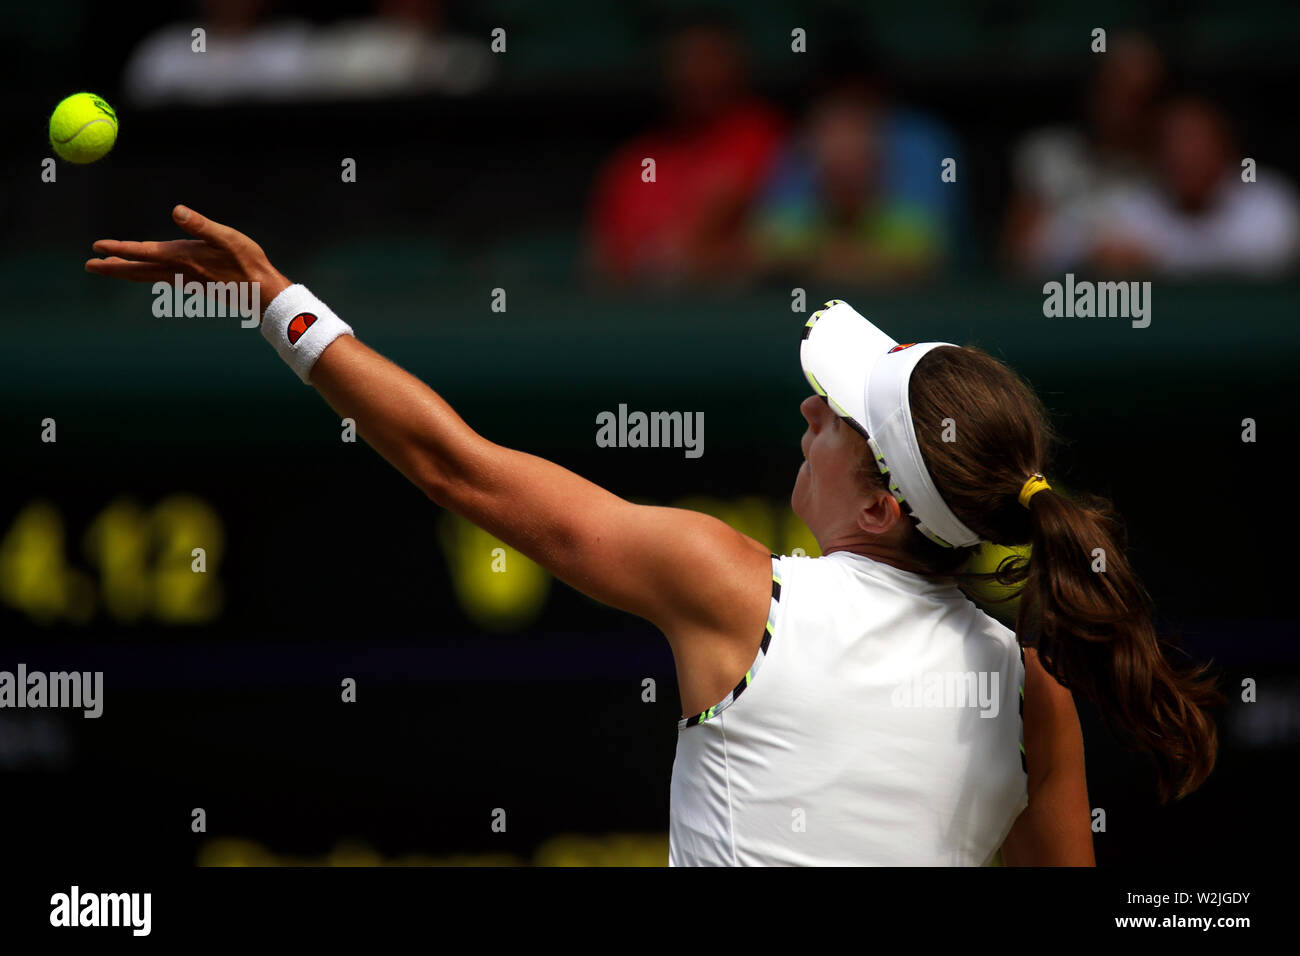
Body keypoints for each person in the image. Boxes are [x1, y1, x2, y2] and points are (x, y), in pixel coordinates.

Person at [84, 207, 1219, 865]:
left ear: (882, 507)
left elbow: (454, 466)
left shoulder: (739, 589)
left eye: (832, 416)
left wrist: (278, 300)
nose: (807, 412)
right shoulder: (1036, 695)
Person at [583, 16, 785, 286]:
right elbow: (604, 262)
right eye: (685, 60)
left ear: (737, 65)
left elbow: (768, 245)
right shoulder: (635, 162)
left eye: (709, 58)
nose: (696, 72)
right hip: (643, 316)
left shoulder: (763, 135)